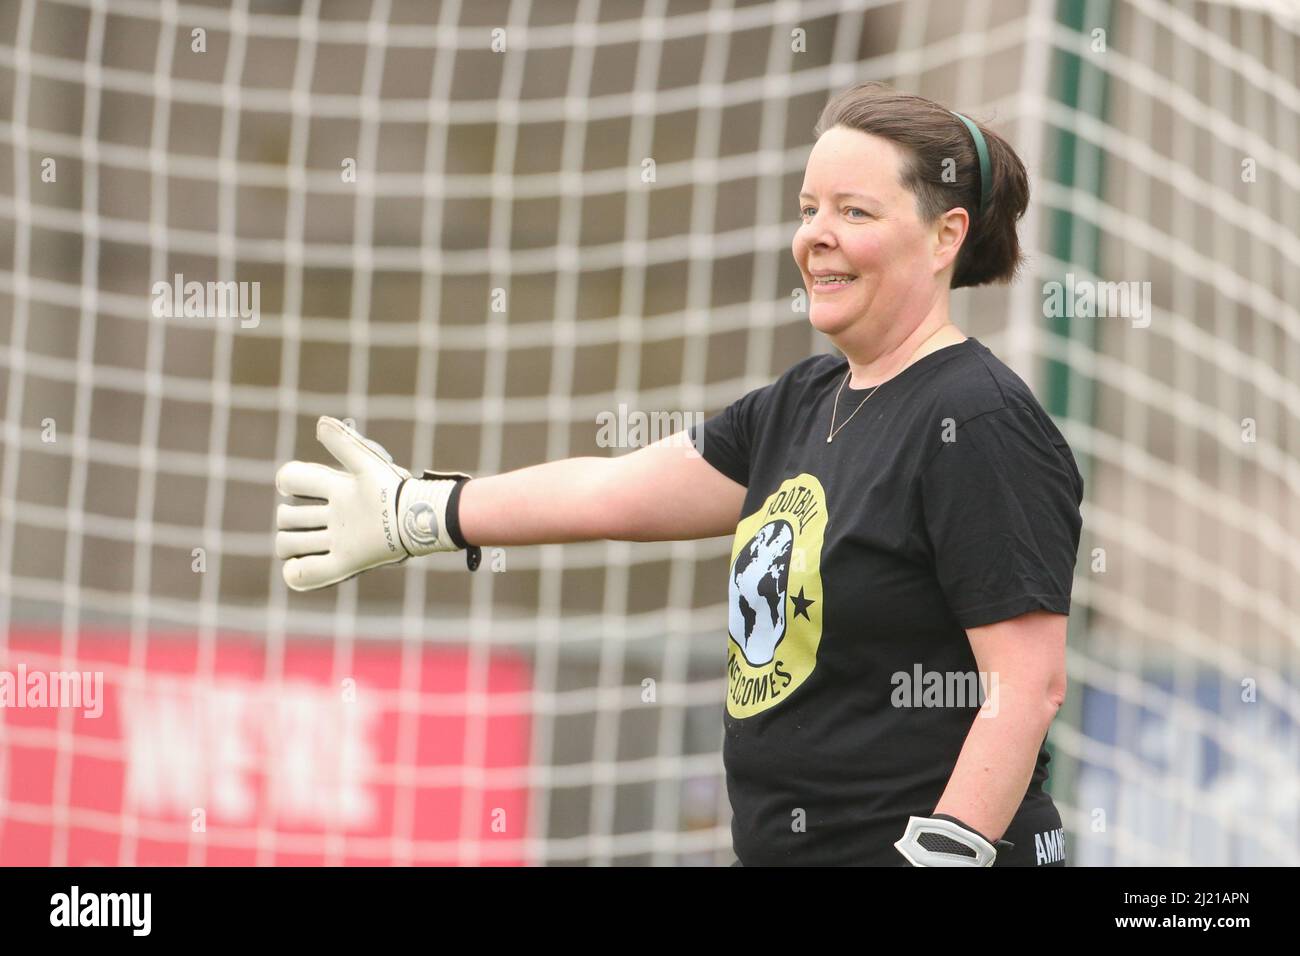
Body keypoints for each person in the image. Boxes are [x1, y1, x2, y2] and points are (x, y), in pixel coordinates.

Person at [274, 82, 1083, 867]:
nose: (815, 236)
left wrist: (946, 854)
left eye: (854, 211)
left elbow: (1027, 687)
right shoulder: (802, 402)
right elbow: (610, 491)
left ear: (946, 236)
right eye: (808, 210)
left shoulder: (978, 421)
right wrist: (424, 511)